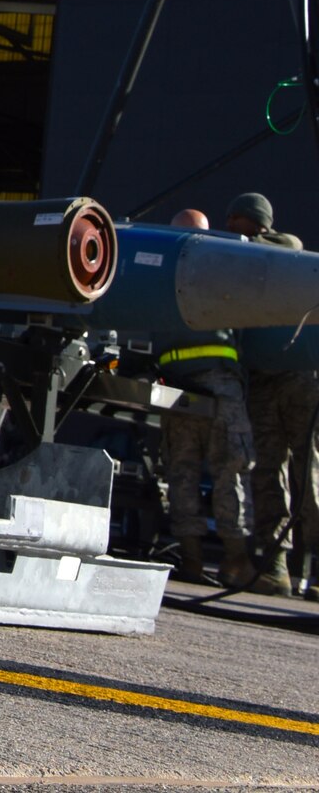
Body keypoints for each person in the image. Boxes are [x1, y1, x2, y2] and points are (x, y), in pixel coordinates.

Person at [157, 202, 257, 589]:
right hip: (218, 383)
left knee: (182, 472)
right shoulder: (221, 263)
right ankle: (236, 561)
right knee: (231, 468)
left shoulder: (161, 269)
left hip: (177, 388)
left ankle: (193, 561)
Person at [224, 192, 318, 597]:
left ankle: (313, 569)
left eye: (236, 221)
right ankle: (276, 566)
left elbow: (288, 246)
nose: (229, 230)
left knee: (308, 474)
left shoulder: (282, 249)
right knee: (267, 474)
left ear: (254, 222)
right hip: (262, 382)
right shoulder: (243, 265)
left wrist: (241, 245)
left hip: (299, 380)